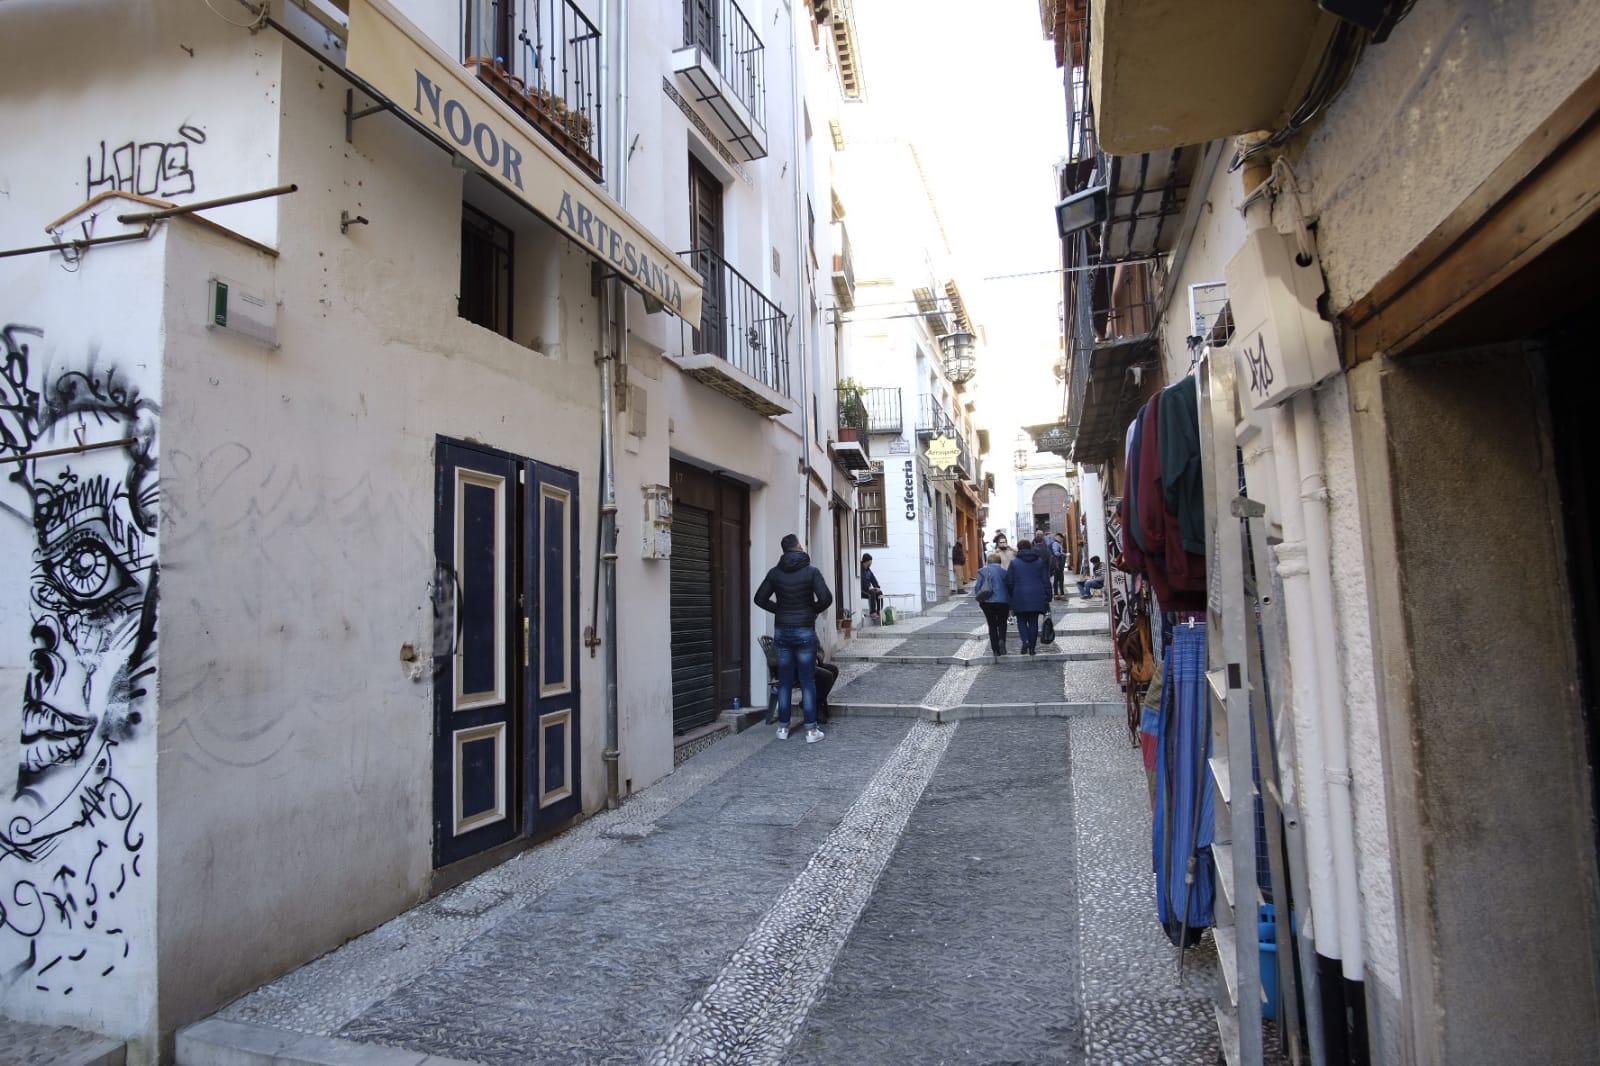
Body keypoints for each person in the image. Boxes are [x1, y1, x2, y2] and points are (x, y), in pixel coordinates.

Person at [755, 533, 834, 743]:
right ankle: (810, 731)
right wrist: (812, 611)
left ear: (784, 551)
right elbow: (826, 598)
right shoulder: (811, 572)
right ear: (798, 546)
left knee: (785, 681)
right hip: (804, 630)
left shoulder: (775, 573)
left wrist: (779, 609)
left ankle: (782, 728)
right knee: (808, 681)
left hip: (782, 630)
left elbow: (759, 598)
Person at [1005, 537, 1054, 655]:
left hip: (1019, 595)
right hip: (1037, 595)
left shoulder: (1014, 563)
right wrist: (1048, 595)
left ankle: (1025, 641)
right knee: (1033, 622)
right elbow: (1045, 580)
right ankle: (1032, 647)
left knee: (1021, 621)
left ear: (1019, 548)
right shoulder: (1039, 562)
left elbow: (1009, 582)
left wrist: (1011, 595)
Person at [974, 550, 1013, 658]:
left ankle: (995, 649)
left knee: (992, 625)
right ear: (999, 561)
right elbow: (1009, 587)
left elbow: (978, 587)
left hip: (987, 602)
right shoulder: (1004, 572)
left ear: (988, 561)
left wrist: (979, 597)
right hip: (1003, 602)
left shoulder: (982, 571)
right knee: (1002, 623)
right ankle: (1002, 640)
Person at [861, 552, 883, 620]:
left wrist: (877, 587)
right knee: (872, 593)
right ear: (866, 562)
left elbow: (873, 579)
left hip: (868, 589)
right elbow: (862, 580)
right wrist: (868, 587)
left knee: (879, 593)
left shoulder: (868, 570)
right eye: (869, 562)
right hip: (862, 590)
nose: (870, 564)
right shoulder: (860, 569)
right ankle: (872, 612)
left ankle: (879, 611)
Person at [1049, 533, 1067, 598]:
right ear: (1059, 537)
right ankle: (1060, 594)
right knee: (1060, 579)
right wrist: (1064, 554)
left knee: (1057, 579)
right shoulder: (1056, 544)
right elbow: (1056, 553)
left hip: (1056, 564)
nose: (1062, 540)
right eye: (1062, 539)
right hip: (1057, 564)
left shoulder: (1055, 543)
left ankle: (1057, 594)